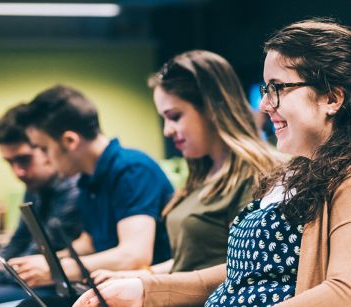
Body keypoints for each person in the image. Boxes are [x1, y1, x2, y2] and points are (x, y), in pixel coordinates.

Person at [74, 15, 351, 307]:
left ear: (332, 98)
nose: (264, 105)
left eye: (278, 88)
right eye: (264, 89)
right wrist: (144, 290)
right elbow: (240, 275)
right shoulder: (303, 174)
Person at [91, 50, 282, 284]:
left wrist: (149, 285)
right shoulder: (203, 173)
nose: (167, 130)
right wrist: (142, 275)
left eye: (175, 116)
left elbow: (247, 267)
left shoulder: (256, 173)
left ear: (211, 108)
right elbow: (191, 261)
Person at [12, 85, 174, 303]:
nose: (43, 159)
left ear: (70, 141)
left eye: (44, 149)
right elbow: (89, 242)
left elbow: (134, 255)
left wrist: (57, 269)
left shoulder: (132, 169)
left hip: (145, 294)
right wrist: (45, 261)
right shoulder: (87, 179)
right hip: (106, 287)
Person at [0, 103, 83, 307]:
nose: (18, 172)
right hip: (32, 277)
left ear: (47, 148)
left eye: (24, 160)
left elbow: (37, 254)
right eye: (10, 162)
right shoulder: (34, 188)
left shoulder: (74, 188)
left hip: (61, 283)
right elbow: (19, 240)